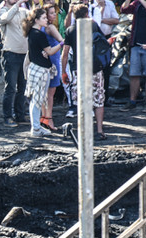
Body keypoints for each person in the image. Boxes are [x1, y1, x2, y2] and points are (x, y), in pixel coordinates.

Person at [61, 4, 108, 140]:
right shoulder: (93, 26)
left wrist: (64, 71)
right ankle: (99, 130)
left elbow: (65, 54)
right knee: (98, 99)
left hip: (78, 69)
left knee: (81, 100)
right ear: (87, 14)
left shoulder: (70, 30)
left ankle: (83, 131)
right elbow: (103, 44)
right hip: (95, 68)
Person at [23, 7, 62, 137]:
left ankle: (37, 126)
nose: (47, 20)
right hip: (40, 70)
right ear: (37, 19)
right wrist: (62, 44)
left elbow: (43, 51)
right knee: (37, 100)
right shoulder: (39, 34)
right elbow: (50, 51)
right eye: (44, 18)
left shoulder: (33, 33)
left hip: (37, 68)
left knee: (38, 99)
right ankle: (35, 128)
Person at [0, 0, 30, 126]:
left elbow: (34, 17)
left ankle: (20, 115)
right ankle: (7, 117)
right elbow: (5, 19)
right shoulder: (3, 11)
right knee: (10, 88)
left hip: (24, 54)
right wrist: (18, 4)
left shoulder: (23, 11)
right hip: (10, 53)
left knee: (23, 88)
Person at [120, 0, 146, 111]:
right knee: (134, 74)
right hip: (136, 44)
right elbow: (124, 9)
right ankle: (132, 100)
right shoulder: (137, 3)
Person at [42, 3, 64, 131]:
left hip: (45, 59)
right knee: (50, 93)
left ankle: (44, 117)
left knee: (45, 92)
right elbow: (62, 40)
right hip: (53, 60)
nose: (54, 14)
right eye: (51, 13)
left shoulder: (40, 28)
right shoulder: (50, 27)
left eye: (54, 12)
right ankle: (49, 119)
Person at [89, 0, 119, 96]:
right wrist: (101, 14)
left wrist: (102, 19)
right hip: (94, 39)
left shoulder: (109, 3)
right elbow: (95, 25)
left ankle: (104, 96)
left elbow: (116, 20)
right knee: (95, 67)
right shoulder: (91, 5)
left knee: (106, 67)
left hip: (106, 37)